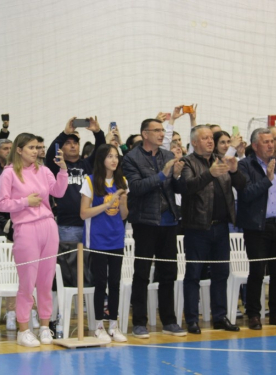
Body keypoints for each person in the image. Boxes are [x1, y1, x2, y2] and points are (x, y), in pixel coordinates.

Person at [0, 133, 68, 347]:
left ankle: (45, 327)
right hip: (25, 228)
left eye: (38, 147)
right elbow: (1, 204)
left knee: (46, 281)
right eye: (31, 147)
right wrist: (24, 201)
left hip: (48, 226)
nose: (36, 151)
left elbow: (59, 192)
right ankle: (24, 329)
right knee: (27, 282)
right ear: (19, 149)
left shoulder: (44, 170)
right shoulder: (8, 174)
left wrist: (63, 170)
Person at [176, 125, 246, 334]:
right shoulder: (188, 162)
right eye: (204, 138)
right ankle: (192, 320)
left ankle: (220, 317)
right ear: (195, 142)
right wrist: (210, 173)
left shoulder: (222, 159)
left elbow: (241, 185)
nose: (209, 141)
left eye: (210, 138)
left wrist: (234, 171)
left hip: (222, 227)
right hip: (197, 228)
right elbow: (187, 187)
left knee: (221, 274)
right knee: (193, 275)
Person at [122, 118, 186, 338]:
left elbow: (176, 187)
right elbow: (137, 187)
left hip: (169, 220)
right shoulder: (131, 158)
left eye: (162, 130)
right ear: (145, 134)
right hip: (145, 222)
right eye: (156, 130)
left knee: (168, 272)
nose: (161, 134)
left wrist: (176, 175)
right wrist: (162, 174)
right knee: (141, 273)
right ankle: (139, 322)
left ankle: (169, 320)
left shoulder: (168, 156)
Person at [237, 128, 276, 330]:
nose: (271, 145)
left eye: (272, 141)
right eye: (266, 142)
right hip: (257, 227)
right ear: (255, 145)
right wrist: (268, 179)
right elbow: (246, 194)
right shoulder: (245, 165)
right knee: (257, 271)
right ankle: (254, 314)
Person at [80, 144, 128, 342]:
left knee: (115, 283)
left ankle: (114, 325)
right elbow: (83, 213)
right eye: (109, 156)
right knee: (101, 282)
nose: (114, 160)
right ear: (101, 159)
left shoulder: (122, 181)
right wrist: (107, 204)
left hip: (117, 237)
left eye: (116, 156)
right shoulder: (89, 181)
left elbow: (124, 215)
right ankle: (98, 325)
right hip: (98, 239)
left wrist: (123, 202)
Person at [45, 117, 105, 243]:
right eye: (68, 143)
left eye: (75, 143)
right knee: (69, 261)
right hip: (67, 225)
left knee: (90, 262)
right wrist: (65, 133)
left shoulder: (88, 164)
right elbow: (50, 153)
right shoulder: (57, 166)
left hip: (90, 222)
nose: (73, 146)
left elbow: (101, 150)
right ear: (61, 148)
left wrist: (98, 132)